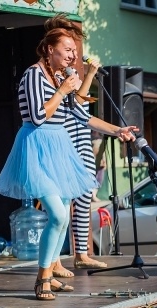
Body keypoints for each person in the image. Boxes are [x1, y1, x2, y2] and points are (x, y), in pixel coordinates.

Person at [0, 15, 137, 301]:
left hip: (60, 147)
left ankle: (51, 271)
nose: (73, 55)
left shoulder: (61, 79)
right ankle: (42, 277)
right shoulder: (33, 75)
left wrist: (117, 129)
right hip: (37, 146)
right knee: (57, 216)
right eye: (68, 49)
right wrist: (62, 90)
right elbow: (36, 116)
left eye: (74, 50)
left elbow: (82, 116)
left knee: (63, 217)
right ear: (49, 49)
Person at [53, 55, 108, 276]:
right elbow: (75, 102)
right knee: (63, 207)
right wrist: (88, 74)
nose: (73, 56)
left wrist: (90, 73)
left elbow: (81, 105)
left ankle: (81, 254)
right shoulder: (54, 77)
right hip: (66, 145)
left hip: (83, 143)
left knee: (84, 199)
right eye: (68, 50)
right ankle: (54, 260)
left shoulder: (72, 76)